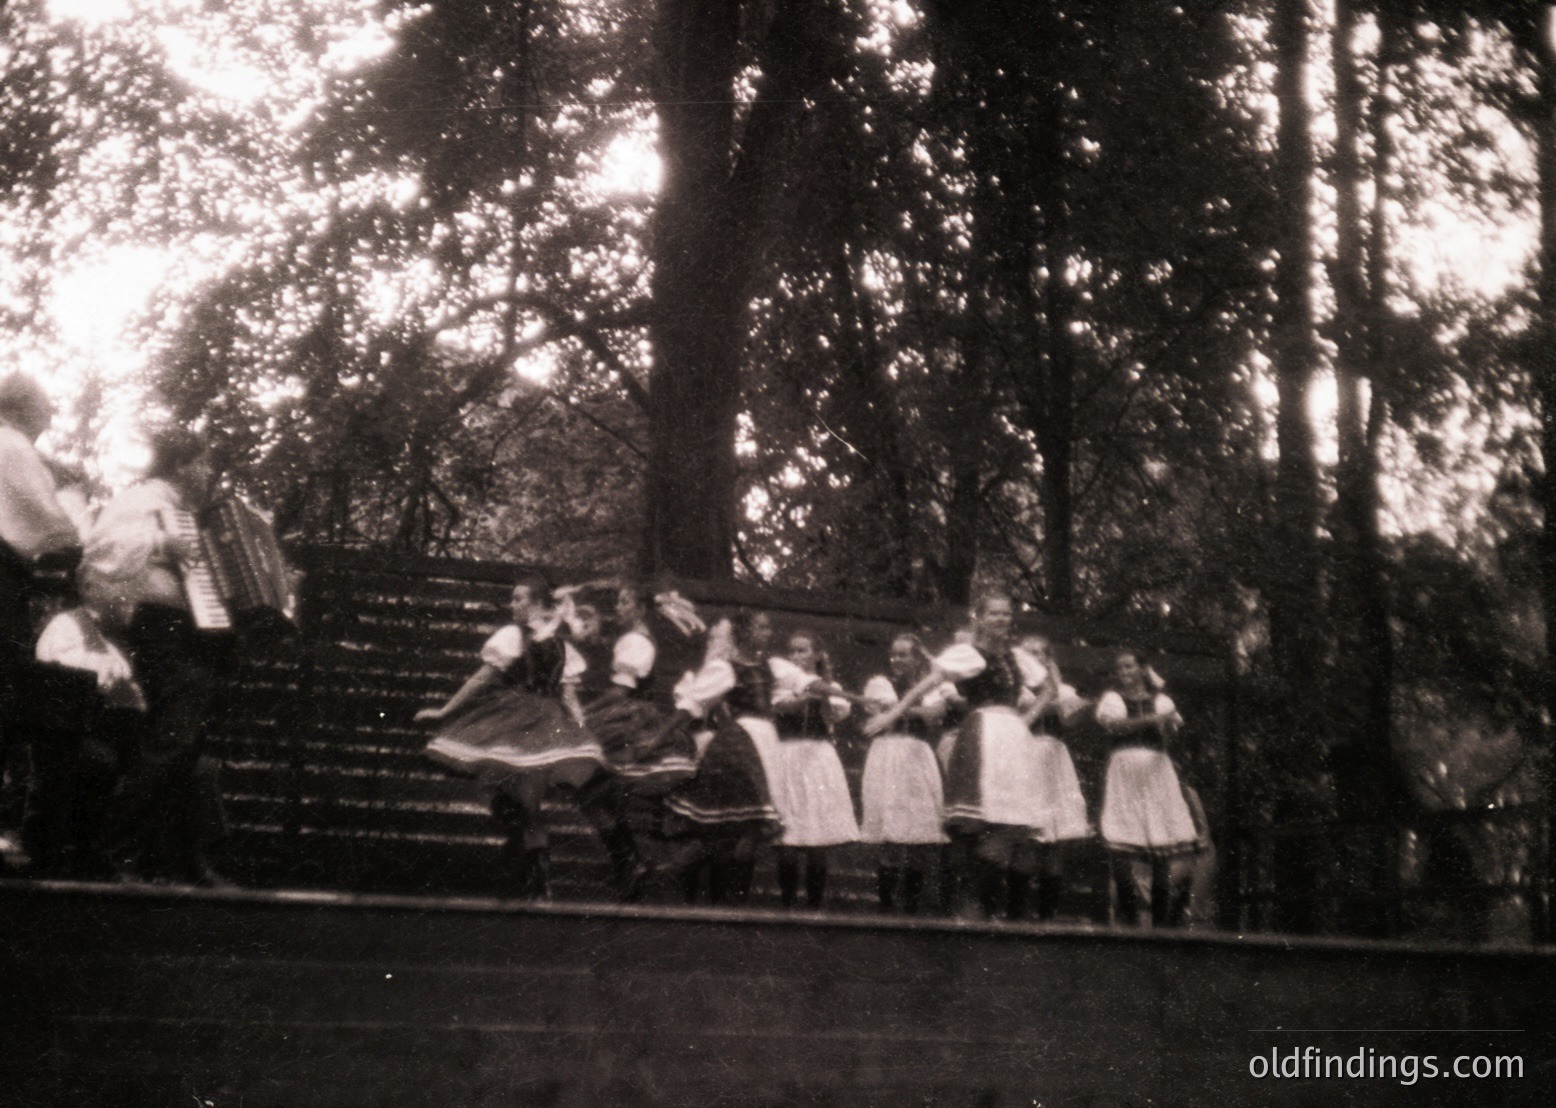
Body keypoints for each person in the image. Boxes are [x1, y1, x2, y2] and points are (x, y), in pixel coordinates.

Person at [79, 428, 235, 886]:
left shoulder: (182, 510)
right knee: (172, 740)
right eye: (204, 463)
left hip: (190, 631)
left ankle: (178, 859)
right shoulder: (143, 498)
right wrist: (161, 544)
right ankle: (116, 850)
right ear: (182, 465)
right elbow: (100, 553)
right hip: (158, 628)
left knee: (189, 746)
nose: (209, 473)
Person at [416, 571, 605, 899]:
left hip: (522, 719)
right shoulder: (557, 645)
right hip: (536, 723)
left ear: (537, 604)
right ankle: (535, 880)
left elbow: (483, 677)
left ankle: (536, 882)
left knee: (515, 797)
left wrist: (445, 710)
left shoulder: (524, 637)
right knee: (524, 803)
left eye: (519, 598)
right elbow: (566, 696)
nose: (512, 604)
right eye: (513, 598)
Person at [865, 590, 1048, 920]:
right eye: (994, 613)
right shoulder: (969, 654)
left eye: (1006, 614)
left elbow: (1048, 687)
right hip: (983, 735)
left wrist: (1025, 721)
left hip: (1014, 739)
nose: (1002, 619)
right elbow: (927, 684)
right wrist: (891, 716)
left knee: (1011, 825)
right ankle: (971, 909)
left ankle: (980, 907)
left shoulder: (1019, 658)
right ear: (980, 617)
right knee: (979, 823)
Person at [0, 374, 83, 866]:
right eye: (47, 412)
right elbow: (48, 525)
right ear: (25, 410)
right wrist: (76, 539)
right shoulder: (12, 445)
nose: (49, 423)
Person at [663, 609, 783, 905]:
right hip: (730, 746)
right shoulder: (722, 670)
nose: (768, 633)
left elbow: (799, 683)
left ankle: (729, 901)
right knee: (724, 827)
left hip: (757, 745)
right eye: (761, 627)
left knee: (744, 827)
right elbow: (692, 705)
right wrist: (661, 736)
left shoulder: (764, 668)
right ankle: (702, 894)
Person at [24, 602, 146, 878]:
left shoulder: (112, 635)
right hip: (71, 729)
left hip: (111, 729)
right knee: (96, 763)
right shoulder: (67, 627)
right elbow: (69, 680)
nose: (126, 604)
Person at [1093, 648, 1202, 927]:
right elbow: (1115, 726)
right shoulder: (1112, 699)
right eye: (1120, 669)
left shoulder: (1161, 700)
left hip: (1156, 771)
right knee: (1123, 841)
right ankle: (1130, 920)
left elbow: (1169, 735)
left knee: (1161, 842)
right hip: (1125, 770)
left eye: (1130, 667)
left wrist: (1165, 722)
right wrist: (1154, 719)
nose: (1125, 673)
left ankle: (1162, 923)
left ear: (1142, 669)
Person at [858, 633, 948, 914]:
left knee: (918, 833)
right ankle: (886, 906)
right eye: (894, 655)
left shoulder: (931, 685)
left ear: (917, 658)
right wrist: (915, 710)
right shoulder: (879, 683)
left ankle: (909, 907)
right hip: (888, 754)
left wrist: (898, 711)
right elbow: (876, 709)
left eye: (904, 655)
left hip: (916, 755)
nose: (896, 660)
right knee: (890, 834)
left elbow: (935, 713)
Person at [769, 629, 858, 909]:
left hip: (818, 758)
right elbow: (787, 707)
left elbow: (833, 715)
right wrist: (809, 691)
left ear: (816, 654)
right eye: (793, 650)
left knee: (818, 838)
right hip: (788, 756)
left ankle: (814, 906)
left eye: (803, 650)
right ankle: (787, 904)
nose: (797, 656)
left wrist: (826, 682)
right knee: (789, 838)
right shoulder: (782, 684)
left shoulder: (830, 687)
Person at [1018, 634, 1093, 921]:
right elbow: (1024, 710)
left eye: (1042, 653)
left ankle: (1046, 916)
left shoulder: (1061, 689)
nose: (1037, 656)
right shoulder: (1017, 688)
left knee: (1056, 838)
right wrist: (1058, 700)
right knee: (1027, 836)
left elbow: (1069, 719)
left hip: (1054, 759)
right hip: (1025, 755)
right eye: (1031, 652)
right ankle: (1017, 914)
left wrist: (1075, 704)